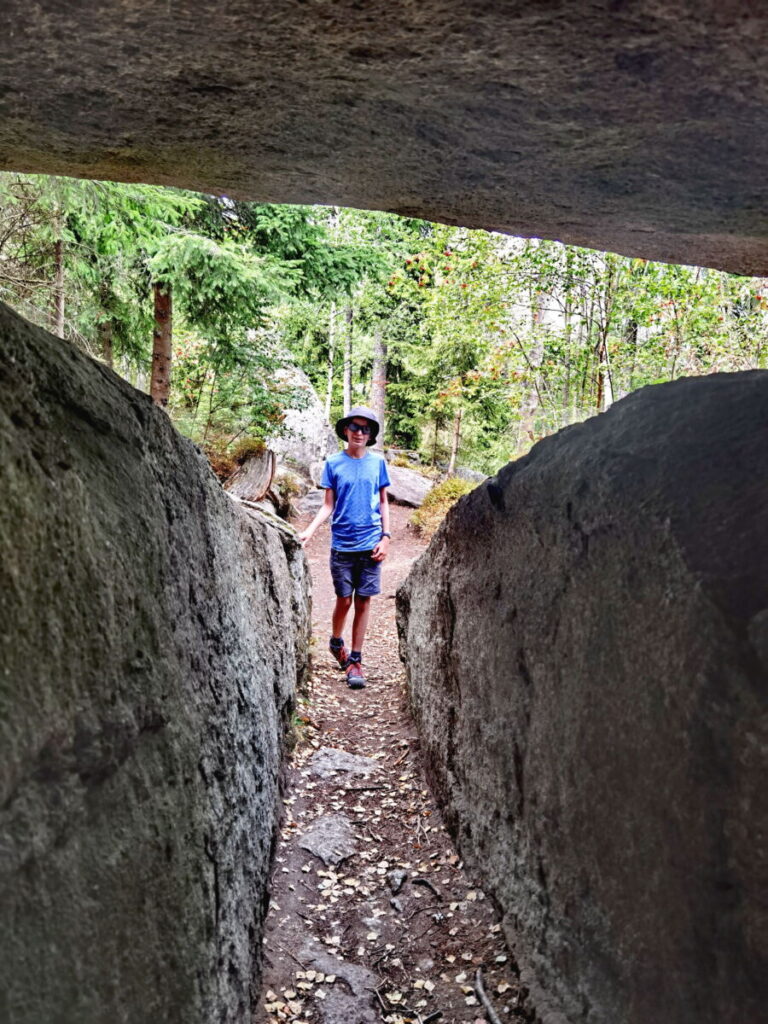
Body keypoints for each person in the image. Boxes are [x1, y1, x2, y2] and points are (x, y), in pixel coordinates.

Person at [298, 406, 391, 689]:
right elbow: (329, 505)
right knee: (345, 599)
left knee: (363, 601)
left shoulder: (378, 464)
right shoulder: (333, 464)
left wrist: (386, 536)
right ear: (346, 431)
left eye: (365, 429)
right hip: (342, 545)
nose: (359, 433)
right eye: (355, 428)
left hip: (371, 543)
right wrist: (310, 531)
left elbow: (384, 501)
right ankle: (336, 642)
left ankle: (355, 660)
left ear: (371, 434)